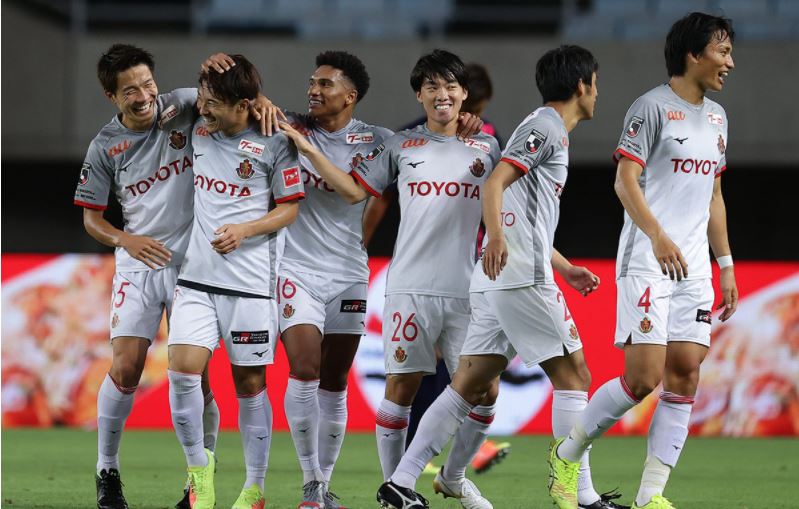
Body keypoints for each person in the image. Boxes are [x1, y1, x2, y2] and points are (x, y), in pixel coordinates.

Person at [373, 45, 613, 509]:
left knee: (470, 387)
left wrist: (563, 265)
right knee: (575, 376)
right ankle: (577, 491)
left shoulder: (504, 138)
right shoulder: (544, 128)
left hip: (484, 278)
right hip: (516, 276)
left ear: (464, 94)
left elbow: (518, 207)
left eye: (451, 87)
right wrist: (499, 241)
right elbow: (496, 186)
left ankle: (407, 480)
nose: (597, 93)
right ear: (582, 85)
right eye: (596, 83)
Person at [281, 49, 501, 509]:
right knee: (401, 389)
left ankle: (456, 477)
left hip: (467, 288)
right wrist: (356, 247)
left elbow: (507, 204)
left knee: (486, 391)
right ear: (420, 95)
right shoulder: (399, 146)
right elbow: (359, 194)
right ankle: (396, 491)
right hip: (407, 286)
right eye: (432, 88)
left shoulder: (486, 146)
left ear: (464, 95)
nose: (442, 95)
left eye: (450, 87)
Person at [550, 13, 738, 509]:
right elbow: (624, 181)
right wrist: (656, 235)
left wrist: (726, 265)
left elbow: (714, 196)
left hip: (695, 266)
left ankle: (650, 495)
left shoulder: (718, 118)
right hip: (648, 259)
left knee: (685, 374)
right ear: (693, 54)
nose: (730, 62)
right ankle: (566, 455)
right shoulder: (650, 108)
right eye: (722, 51)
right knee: (643, 378)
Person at [74, 44, 221, 509]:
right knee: (126, 368)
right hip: (138, 264)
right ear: (111, 96)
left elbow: (237, 100)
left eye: (147, 84)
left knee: (196, 377)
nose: (143, 95)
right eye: (129, 90)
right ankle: (107, 469)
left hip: (194, 264)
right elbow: (92, 219)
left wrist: (221, 65)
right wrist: (126, 240)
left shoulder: (182, 105)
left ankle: (200, 480)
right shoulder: (104, 146)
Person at [166, 54, 304, 509]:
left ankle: (254, 487)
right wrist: (209, 76)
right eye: (202, 99)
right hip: (197, 279)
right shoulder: (198, 125)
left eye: (214, 104)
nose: (203, 109)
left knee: (249, 385)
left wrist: (245, 230)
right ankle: (198, 473)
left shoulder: (274, 142)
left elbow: (289, 209)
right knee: (183, 373)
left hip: (249, 285)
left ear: (244, 105)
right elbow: (157, 104)